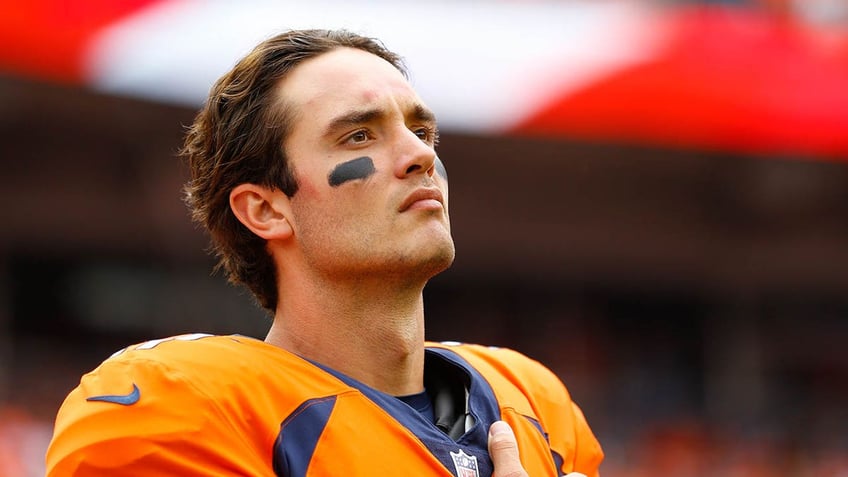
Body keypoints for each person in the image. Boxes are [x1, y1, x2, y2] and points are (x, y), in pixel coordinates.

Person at [45, 29, 604, 476]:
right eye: (358, 135)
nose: (419, 156)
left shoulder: (533, 403)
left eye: (422, 131)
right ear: (265, 210)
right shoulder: (186, 405)